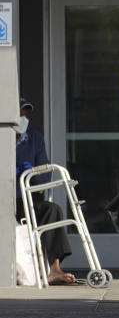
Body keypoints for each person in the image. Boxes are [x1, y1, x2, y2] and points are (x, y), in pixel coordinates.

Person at [15, 97, 75, 285]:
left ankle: (53, 269)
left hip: (26, 197)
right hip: (6, 198)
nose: (23, 117)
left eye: (26, 114)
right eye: (19, 113)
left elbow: (44, 177)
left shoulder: (34, 138)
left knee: (52, 210)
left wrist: (29, 171)